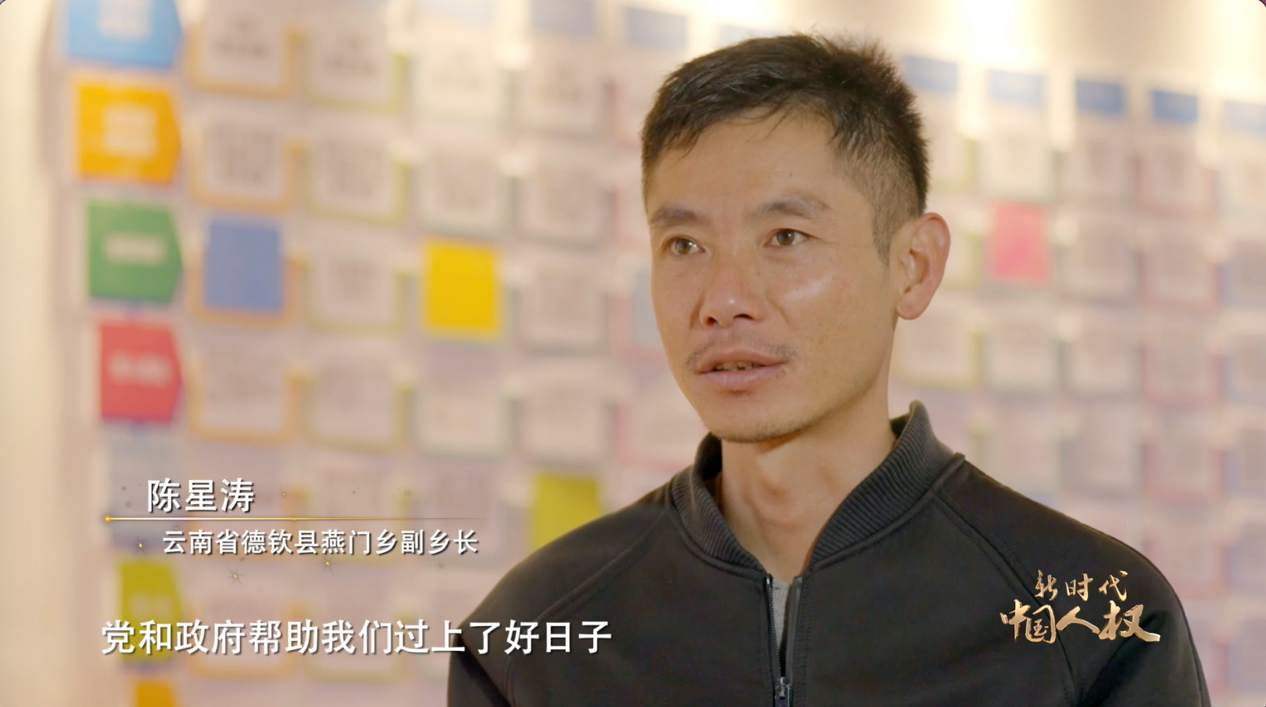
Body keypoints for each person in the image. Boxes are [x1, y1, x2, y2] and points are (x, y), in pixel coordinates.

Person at [447, 33, 1209, 706]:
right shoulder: (532, 635)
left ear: (913, 266)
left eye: (785, 236)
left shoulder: (1099, 625)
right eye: (684, 246)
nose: (723, 300)